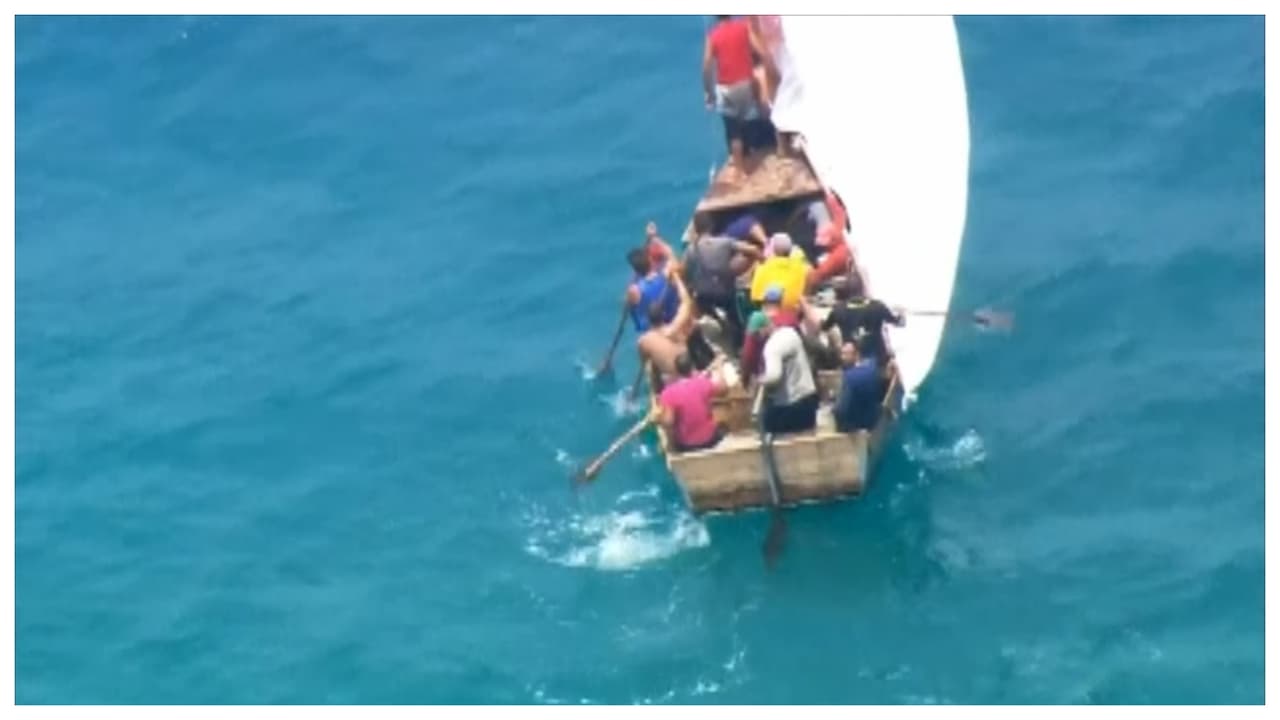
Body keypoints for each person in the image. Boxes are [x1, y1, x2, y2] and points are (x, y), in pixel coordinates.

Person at [703, 16, 771, 179]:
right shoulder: (743, 27)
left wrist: (709, 92)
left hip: (726, 87)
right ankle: (755, 157)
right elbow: (759, 49)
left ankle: (740, 171)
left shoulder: (713, 36)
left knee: (733, 130)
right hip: (745, 82)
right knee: (749, 120)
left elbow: (707, 65)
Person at [685, 213, 763, 350]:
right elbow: (752, 249)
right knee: (736, 319)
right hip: (724, 293)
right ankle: (738, 344)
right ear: (711, 226)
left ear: (696, 229)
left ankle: (719, 324)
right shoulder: (724, 242)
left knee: (710, 311)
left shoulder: (689, 251)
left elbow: (686, 273)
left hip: (703, 296)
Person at [637, 264, 713, 379]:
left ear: (648, 319)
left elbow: (645, 364)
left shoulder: (644, 341)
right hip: (687, 370)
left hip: (670, 377)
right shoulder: (676, 328)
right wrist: (676, 278)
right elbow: (686, 301)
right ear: (663, 315)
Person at [751, 309, 819, 434]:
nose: (756, 338)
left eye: (756, 333)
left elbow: (774, 376)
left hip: (792, 405)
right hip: (809, 398)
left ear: (764, 328)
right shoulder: (790, 333)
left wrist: (759, 380)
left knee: (765, 424)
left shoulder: (772, 346)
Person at [819, 272, 905, 364]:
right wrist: (901, 313)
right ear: (863, 289)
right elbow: (900, 323)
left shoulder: (838, 310)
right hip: (879, 362)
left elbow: (824, 327)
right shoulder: (878, 306)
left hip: (853, 363)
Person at [652, 353, 729, 453]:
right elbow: (724, 389)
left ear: (676, 371)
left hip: (686, 445)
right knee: (722, 426)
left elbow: (668, 422)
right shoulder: (703, 382)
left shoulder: (668, 393)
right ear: (692, 368)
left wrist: (658, 419)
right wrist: (719, 368)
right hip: (710, 441)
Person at [806, 189, 854, 291]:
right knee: (817, 206)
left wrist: (809, 275)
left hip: (838, 276)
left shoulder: (837, 255)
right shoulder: (839, 227)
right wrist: (829, 197)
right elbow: (838, 212)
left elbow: (818, 275)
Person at [624, 247, 679, 333]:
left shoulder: (634, 290)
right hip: (672, 321)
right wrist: (656, 239)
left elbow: (628, 305)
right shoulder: (665, 275)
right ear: (650, 261)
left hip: (651, 329)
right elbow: (670, 254)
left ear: (635, 269)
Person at [748, 233, 810, 310]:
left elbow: (755, 298)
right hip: (793, 310)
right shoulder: (801, 267)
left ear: (773, 250)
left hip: (769, 311)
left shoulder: (763, 267)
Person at [833, 341, 882, 432]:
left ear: (857, 355)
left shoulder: (849, 377)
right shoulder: (873, 367)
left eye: (846, 354)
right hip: (876, 422)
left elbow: (841, 410)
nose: (842, 358)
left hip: (856, 428)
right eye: (842, 354)